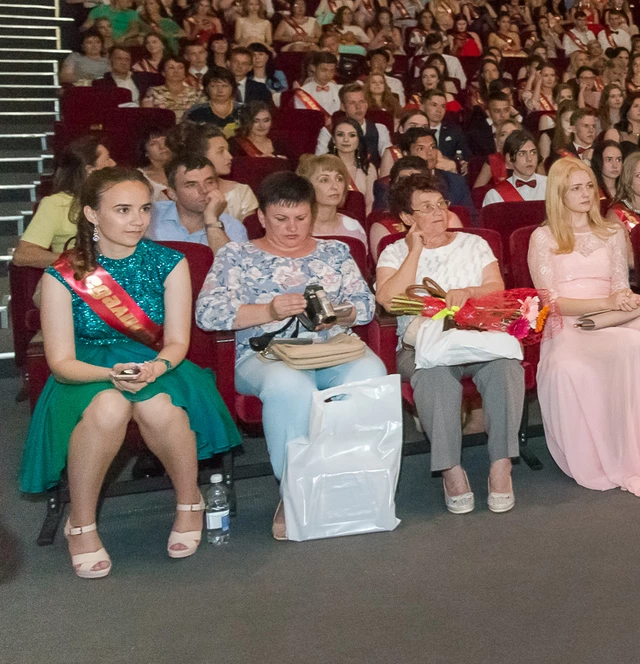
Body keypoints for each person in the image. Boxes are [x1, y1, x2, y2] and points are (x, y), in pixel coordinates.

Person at [20, 168, 241, 578]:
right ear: (92, 214)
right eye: (123, 210)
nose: (137, 220)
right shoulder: (61, 275)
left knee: (159, 406)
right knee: (108, 408)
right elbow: (61, 363)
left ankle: (189, 501)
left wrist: (157, 367)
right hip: (86, 370)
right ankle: (81, 523)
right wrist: (110, 375)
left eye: (144, 209)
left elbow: (177, 342)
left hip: (157, 362)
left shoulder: (169, 263)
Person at [196, 172, 383, 538]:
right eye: (281, 219)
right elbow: (208, 314)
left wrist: (334, 314)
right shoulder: (237, 255)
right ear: (262, 218)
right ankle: (293, 491)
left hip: (330, 349)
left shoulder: (335, 251)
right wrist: (268, 310)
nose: (293, 228)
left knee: (370, 374)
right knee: (289, 385)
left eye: (301, 217)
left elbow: (365, 306)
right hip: (264, 357)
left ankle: (348, 482)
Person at [528, 157, 640, 497]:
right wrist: (607, 302)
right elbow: (552, 303)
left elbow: (620, 284)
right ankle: (623, 452)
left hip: (612, 314)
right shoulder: (543, 237)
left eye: (589, 186)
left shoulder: (611, 232)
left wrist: (621, 298)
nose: (586, 194)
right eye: (575, 189)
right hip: (570, 323)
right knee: (629, 346)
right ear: (559, 194)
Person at [376, 175, 524, 513]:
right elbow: (389, 301)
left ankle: (501, 465)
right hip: (422, 347)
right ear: (407, 217)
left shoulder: (473, 244)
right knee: (434, 376)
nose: (437, 212)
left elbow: (496, 287)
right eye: (426, 208)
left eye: (440, 204)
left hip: (480, 339)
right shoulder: (394, 252)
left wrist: (468, 292)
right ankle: (451, 470)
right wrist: (415, 251)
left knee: (505, 369)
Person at [14, 134, 115, 270]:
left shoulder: (117, 199)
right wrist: (76, 260)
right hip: (77, 278)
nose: (113, 164)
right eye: (107, 159)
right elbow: (23, 255)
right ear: (90, 170)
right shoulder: (57, 204)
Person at [146, 148, 247, 249]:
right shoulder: (149, 217)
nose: (204, 190)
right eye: (191, 185)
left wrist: (212, 221)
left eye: (209, 182)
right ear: (172, 193)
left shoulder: (233, 227)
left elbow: (228, 259)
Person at [298, 154, 366, 238]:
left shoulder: (353, 227)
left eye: (339, 179)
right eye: (324, 180)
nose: (335, 186)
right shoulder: (295, 228)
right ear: (307, 186)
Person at [481, 129, 545, 206]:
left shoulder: (552, 186)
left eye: (533, 152)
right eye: (522, 154)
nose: (529, 158)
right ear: (509, 159)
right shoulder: (495, 196)